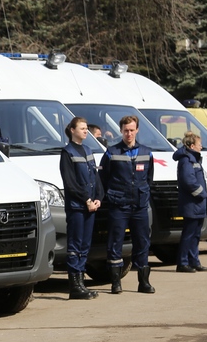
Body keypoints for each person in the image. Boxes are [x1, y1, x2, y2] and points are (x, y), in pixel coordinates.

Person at [99, 115, 155, 294]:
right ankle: (115, 282)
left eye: (132, 130)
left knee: (143, 242)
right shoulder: (112, 152)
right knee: (115, 242)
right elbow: (103, 178)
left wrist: (143, 194)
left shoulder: (147, 152)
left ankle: (144, 282)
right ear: (120, 131)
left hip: (139, 206)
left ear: (137, 130)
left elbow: (149, 178)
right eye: (125, 131)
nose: (129, 134)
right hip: (119, 204)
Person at [59, 116, 104, 300]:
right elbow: (70, 183)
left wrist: (99, 198)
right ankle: (75, 285)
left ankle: (81, 282)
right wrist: (86, 199)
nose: (86, 131)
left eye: (86, 128)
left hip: (90, 206)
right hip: (78, 207)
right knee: (75, 245)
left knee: (85, 245)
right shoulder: (67, 152)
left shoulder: (87, 149)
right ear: (72, 130)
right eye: (82, 128)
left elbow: (95, 177)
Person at [174, 132, 207, 273]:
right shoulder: (186, 160)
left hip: (197, 204)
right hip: (191, 204)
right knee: (188, 234)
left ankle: (194, 261)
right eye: (199, 144)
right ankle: (183, 262)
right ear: (192, 146)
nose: (201, 147)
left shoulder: (193, 159)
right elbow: (188, 181)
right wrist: (201, 193)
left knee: (195, 234)